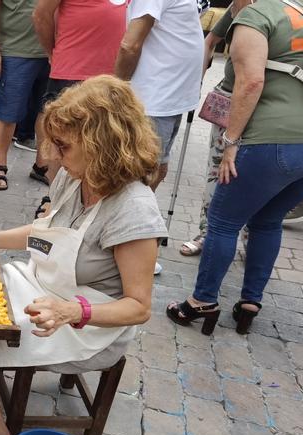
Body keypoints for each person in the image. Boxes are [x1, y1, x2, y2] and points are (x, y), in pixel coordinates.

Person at [0, 76, 165, 435]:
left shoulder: (133, 210)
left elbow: (139, 307)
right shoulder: (73, 177)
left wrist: (71, 311)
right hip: (42, 287)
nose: (53, 156)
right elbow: (43, 232)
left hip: (88, 326)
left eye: (63, 146)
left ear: (102, 143)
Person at [167, 0, 303, 336]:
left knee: (222, 221)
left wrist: (231, 142)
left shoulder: (257, 16)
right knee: (267, 221)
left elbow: (250, 83)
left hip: (269, 139)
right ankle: (250, 303)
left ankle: (201, 301)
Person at [30, 0, 127, 186]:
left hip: (110, 78)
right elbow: (41, 15)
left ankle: (81, 199)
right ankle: (52, 198)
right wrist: (53, 53)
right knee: (63, 141)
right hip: (71, 72)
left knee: (98, 143)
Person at [115, 0, 204, 192]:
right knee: (142, 175)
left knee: (155, 170)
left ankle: (136, 217)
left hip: (168, 97)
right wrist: (116, 90)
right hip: (155, 99)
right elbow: (129, 45)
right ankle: (128, 219)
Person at [180, 7, 235, 256]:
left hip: (270, 107)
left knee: (254, 175)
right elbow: (210, 41)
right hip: (231, 100)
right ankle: (206, 232)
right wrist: (197, 83)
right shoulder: (240, 6)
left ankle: (250, 239)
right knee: (217, 171)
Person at [0, 0, 50, 191]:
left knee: (46, 112)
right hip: (16, 51)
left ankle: (41, 165)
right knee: (7, 113)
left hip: (53, 51)